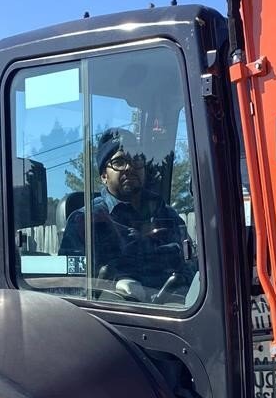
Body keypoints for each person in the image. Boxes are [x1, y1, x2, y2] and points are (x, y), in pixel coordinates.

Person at [59, 128, 190, 300]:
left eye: (136, 157)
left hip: (179, 314)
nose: (129, 167)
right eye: (119, 162)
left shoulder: (166, 215)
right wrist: (108, 286)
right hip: (117, 320)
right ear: (104, 176)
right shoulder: (85, 222)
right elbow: (67, 288)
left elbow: (194, 268)